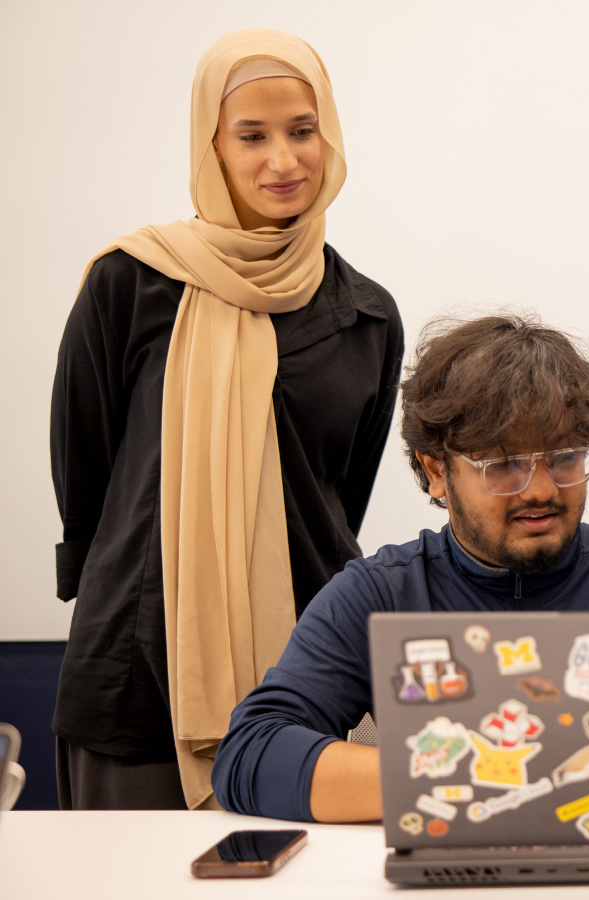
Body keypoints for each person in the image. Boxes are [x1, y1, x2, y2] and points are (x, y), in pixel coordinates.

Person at [50, 28, 404, 811]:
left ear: (330, 135)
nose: (283, 161)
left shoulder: (368, 316)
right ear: (211, 143)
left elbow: (339, 500)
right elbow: (86, 473)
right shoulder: (129, 283)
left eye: (303, 131)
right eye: (252, 136)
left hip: (311, 669)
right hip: (140, 668)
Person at [212, 314, 589, 822]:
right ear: (436, 470)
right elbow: (252, 755)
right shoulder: (381, 594)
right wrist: (461, 780)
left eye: (564, 457)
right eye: (504, 465)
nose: (543, 490)